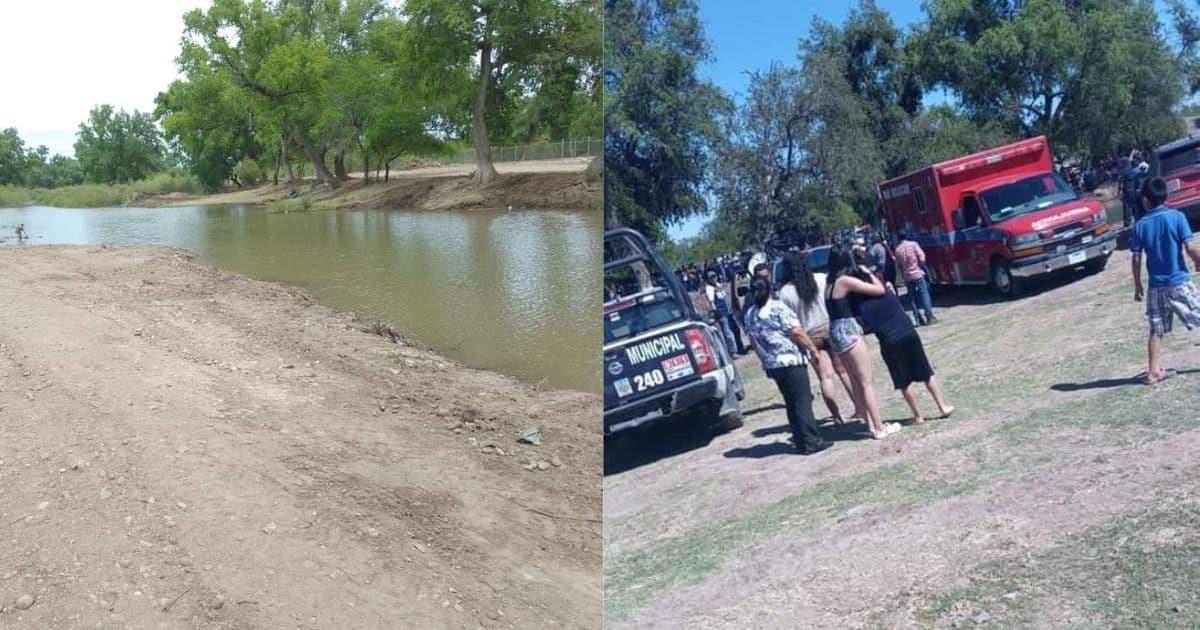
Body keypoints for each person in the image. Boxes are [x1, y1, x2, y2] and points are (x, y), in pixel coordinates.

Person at [743, 277, 833, 455]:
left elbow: (753, 341)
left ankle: (800, 440)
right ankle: (811, 441)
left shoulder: (750, 314)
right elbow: (797, 332)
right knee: (802, 400)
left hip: (773, 363)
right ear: (770, 290)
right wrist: (814, 350)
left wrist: (764, 360)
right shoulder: (777, 308)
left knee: (791, 402)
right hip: (790, 361)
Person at [851, 277, 955, 424]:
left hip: (889, 340)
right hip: (908, 332)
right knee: (926, 372)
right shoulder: (887, 293)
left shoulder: (863, 307)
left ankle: (918, 415)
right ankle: (942, 406)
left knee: (904, 381)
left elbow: (868, 326)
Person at [1131, 176, 1200, 384]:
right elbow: (1190, 248)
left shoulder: (1140, 225)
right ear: (1166, 196)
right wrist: (1198, 262)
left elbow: (1136, 257)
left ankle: (1153, 371)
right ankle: (1154, 371)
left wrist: (1137, 284)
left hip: (1156, 286)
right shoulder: (1177, 217)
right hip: (1179, 280)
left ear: (1145, 200)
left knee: (1156, 328)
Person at [825, 248, 899, 439]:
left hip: (835, 332)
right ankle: (879, 427)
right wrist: (868, 273)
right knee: (867, 382)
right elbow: (879, 290)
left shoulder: (829, 283)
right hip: (848, 330)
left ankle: (870, 424)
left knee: (856, 382)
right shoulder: (845, 281)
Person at [777, 251, 858, 424]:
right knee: (844, 372)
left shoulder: (784, 293)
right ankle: (859, 407)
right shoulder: (822, 279)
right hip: (830, 328)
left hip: (810, 336)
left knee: (825, 377)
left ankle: (837, 416)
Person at [893, 231, 937, 326]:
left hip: (907, 276)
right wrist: (920, 265)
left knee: (912, 298)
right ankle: (929, 316)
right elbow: (922, 258)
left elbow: (898, 265)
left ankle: (917, 318)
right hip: (917, 273)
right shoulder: (913, 245)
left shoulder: (897, 250)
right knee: (924, 294)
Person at [703, 271, 739, 354]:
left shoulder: (718, 285)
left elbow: (724, 295)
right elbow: (711, 302)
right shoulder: (709, 288)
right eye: (711, 277)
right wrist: (715, 312)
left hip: (727, 310)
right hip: (721, 312)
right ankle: (732, 352)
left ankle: (738, 348)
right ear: (708, 279)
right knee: (727, 333)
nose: (714, 278)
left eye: (715, 276)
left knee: (735, 329)